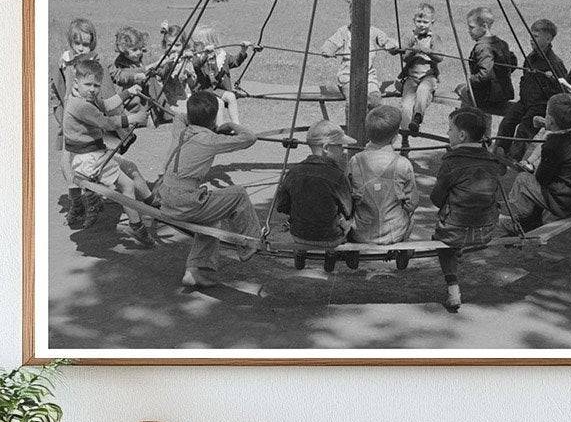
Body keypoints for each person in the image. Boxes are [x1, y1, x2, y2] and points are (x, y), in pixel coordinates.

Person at [157, 90, 262, 288]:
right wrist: (229, 125)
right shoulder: (210, 140)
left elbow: (180, 116)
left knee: (212, 217)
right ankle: (250, 243)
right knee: (238, 194)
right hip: (185, 202)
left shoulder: (181, 129)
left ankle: (195, 270)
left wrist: (201, 119)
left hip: (165, 197)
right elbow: (250, 138)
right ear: (214, 118)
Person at [62, 59, 153, 245]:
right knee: (126, 186)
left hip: (96, 152)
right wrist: (133, 118)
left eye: (96, 85)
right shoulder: (79, 105)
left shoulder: (85, 97)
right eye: (88, 84)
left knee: (131, 167)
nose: (93, 89)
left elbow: (105, 105)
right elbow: (106, 122)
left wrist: (129, 91)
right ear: (76, 82)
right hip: (88, 158)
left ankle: (153, 204)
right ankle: (137, 227)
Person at [431, 106, 505, 312]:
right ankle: (462, 245)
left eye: (450, 129)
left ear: (462, 135)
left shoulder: (451, 161)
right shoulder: (492, 160)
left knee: (441, 240)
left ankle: (453, 288)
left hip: (455, 232)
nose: (447, 133)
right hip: (486, 230)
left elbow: (436, 199)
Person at [504, 94, 571, 231]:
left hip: (566, 202)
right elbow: (561, 128)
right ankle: (530, 217)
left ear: (552, 120)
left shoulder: (552, 145)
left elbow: (542, 178)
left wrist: (531, 169)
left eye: (546, 113)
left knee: (523, 180)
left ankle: (521, 222)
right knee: (543, 183)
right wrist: (545, 124)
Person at [496, 17, 569, 159]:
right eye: (531, 35)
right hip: (525, 101)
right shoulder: (530, 58)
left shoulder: (554, 63)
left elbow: (563, 88)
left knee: (524, 128)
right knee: (507, 122)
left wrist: (552, 79)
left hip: (540, 104)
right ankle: (500, 151)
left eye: (535, 36)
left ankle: (514, 158)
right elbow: (524, 78)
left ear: (548, 39)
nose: (531, 39)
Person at [275, 119, 355, 247]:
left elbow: (281, 206)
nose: (343, 151)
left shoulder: (293, 172)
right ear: (326, 148)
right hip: (330, 238)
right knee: (351, 222)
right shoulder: (337, 175)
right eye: (339, 146)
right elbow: (348, 210)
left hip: (298, 235)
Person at [348, 106, 419, 245]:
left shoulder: (355, 161)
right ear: (395, 137)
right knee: (411, 216)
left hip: (362, 232)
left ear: (367, 134)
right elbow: (412, 202)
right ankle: (403, 245)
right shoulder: (403, 164)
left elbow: (347, 196)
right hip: (394, 233)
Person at [52, 19, 98, 228]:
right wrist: (57, 111)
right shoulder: (64, 62)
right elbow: (56, 88)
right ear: (70, 42)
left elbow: (100, 92)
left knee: (86, 164)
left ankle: (92, 203)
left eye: (86, 44)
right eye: (77, 43)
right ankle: (76, 203)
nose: (81, 48)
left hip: (85, 121)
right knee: (65, 164)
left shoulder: (93, 64)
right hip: (68, 119)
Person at [320, 5, 396, 106]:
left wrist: (391, 45)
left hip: (368, 76)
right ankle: (352, 122)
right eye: (354, 15)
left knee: (375, 99)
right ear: (350, 15)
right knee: (353, 100)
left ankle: (370, 121)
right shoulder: (344, 31)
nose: (358, 19)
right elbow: (332, 43)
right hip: (348, 76)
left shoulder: (373, 32)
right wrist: (328, 50)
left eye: (362, 15)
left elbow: (386, 41)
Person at [457, 6, 516, 129]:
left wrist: (470, 80)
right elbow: (513, 63)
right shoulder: (501, 43)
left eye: (472, 27)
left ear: (484, 26)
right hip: (503, 93)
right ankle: (484, 133)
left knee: (462, 91)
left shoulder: (482, 47)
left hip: (488, 96)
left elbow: (485, 74)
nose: (469, 31)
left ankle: (467, 130)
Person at [188, 25, 250, 124]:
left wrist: (243, 50)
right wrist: (205, 55)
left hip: (218, 90)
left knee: (231, 96)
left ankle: (236, 124)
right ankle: (219, 128)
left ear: (208, 44)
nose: (193, 47)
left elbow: (235, 62)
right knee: (219, 103)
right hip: (205, 90)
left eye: (196, 44)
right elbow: (197, 65)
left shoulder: (221, 55)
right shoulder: (197, 57)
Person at [395, 2, 442, 132]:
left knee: (423, 90)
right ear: (414, 21)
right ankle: (405, 133)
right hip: (411, 77)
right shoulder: (410, 37)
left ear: (432, 22)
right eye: (419, 21)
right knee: (406, 104)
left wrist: (429, 51)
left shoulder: (434, 38)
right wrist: (413, 51)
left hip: (428, 75)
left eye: (425, 22)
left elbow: (440, 58)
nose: (421, 25)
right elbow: (404, 58)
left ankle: (417, 118)